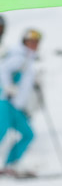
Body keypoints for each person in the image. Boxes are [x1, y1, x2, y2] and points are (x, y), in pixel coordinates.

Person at [0, 29, 42, 171]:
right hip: (4, 102)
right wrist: (8, 87)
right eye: (31, 41)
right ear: (25, 42)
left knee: (28, 134)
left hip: (15, 106)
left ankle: (10, 165)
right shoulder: (19, 56)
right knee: (1, 132)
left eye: (36, 42)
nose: (34, 44)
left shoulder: (28, 60)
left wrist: (34, 82)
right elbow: (2, 69)